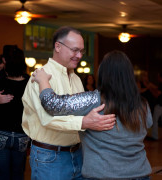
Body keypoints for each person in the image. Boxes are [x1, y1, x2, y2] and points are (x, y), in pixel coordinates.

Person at [32, 50, 153, 180]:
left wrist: (43, 80)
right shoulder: (143, 104)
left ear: (103, 74)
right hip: (140, 175)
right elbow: (148, 124)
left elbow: (52, 104)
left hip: (103, 175)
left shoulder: (93, 100)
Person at [22, 26, 116, 180]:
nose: (79, 55)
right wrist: (85, 122)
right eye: (74, 50)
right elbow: (48, 119)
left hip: (78, 153)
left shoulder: (76, 78)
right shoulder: (40, 77)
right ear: (58, 46)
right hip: (50, 157)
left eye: (82, 51)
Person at [0, 46, 30, 180]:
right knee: (18, 175)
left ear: (4, 60)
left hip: (0, 134)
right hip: (22, 135)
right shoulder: (30, 83)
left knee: (1, 176)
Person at [148, 72, 162, 140]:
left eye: (158, 77)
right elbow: (158, 89)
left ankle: (155, 137)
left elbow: (157, 95)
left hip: (160, 106)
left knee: (155, 120)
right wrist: (151, 86)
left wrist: (150, 89)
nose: (157, 78)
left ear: (160, 77)